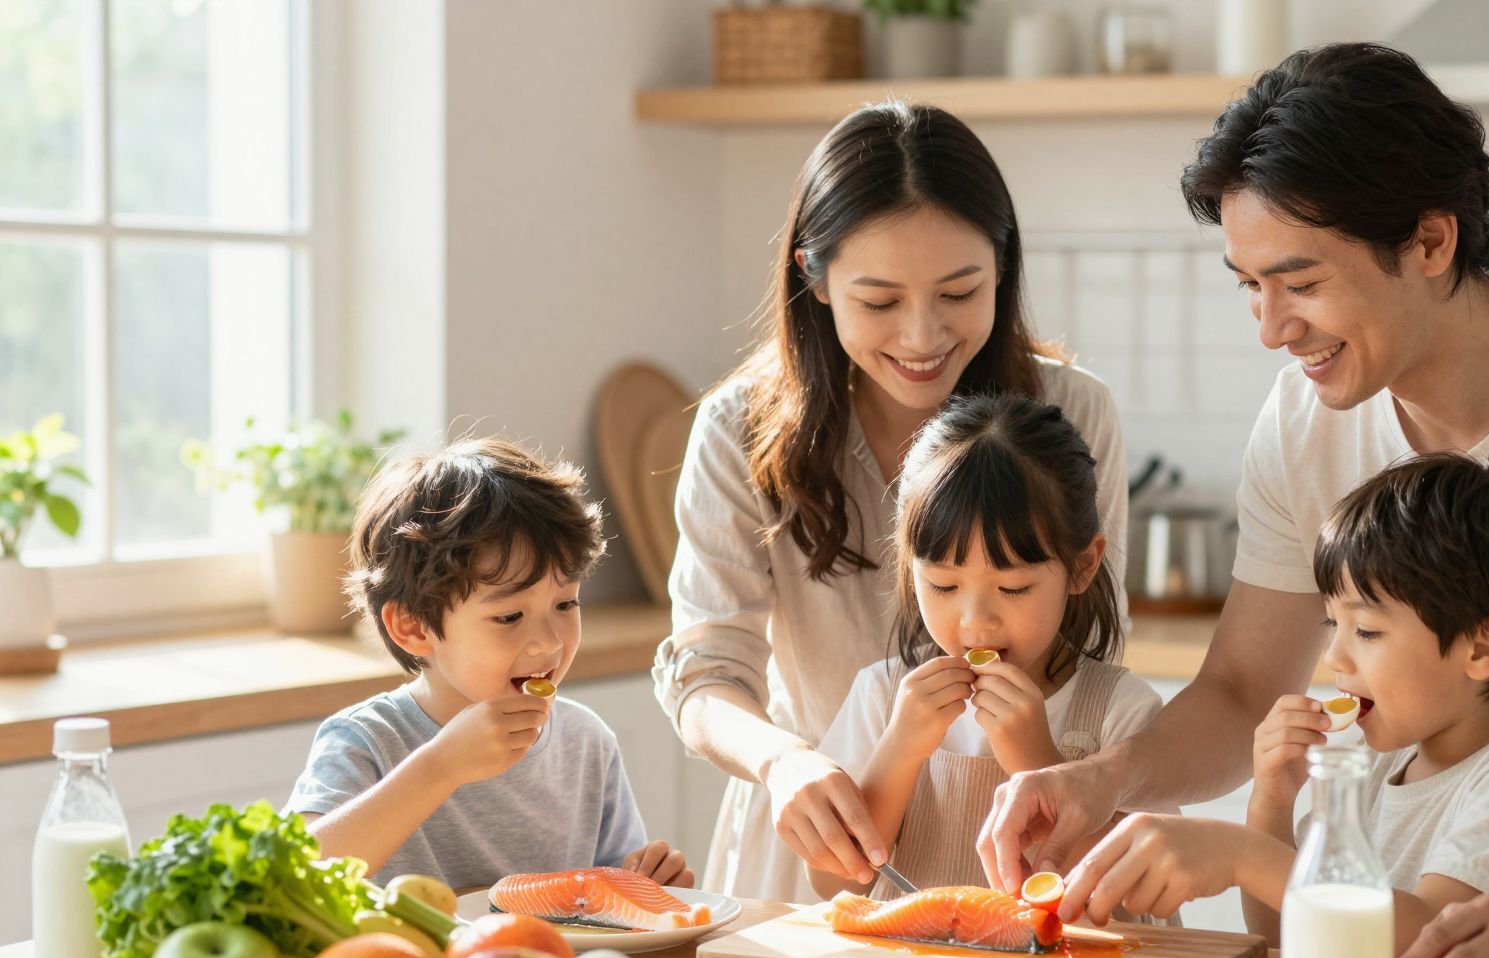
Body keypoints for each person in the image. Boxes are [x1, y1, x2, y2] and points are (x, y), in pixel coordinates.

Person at [981, 43, 1489, 958]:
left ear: (1432, 243)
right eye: (1250, 286)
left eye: (1302, 282)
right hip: (1412, 953)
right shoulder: (1299, 421)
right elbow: (1240, 692)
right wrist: (1101, 781)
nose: (1274, 328)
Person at [655, 102, 1128, 903]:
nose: (922, 335)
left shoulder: (1070, 414)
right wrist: (785, 761)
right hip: (821, 835)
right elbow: (705, 674)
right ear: (815, 276)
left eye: (959, 292)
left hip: (1014, 843)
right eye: (878, 302)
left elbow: (1087, 659)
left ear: (1003, 269)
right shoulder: (741, 428)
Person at [1054, 453, 1489, 957]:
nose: (1335, 655)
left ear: (1484, 647)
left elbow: (1430, 936)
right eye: (1335, 625)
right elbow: (1282, 940)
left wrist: (1242, 854)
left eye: (1369, 631)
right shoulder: (1378, 765)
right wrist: (1272, 803)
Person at [285, 438, 693, 889]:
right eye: (509, 616)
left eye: (566, 604)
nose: (549, 642)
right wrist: (441, 767)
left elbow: (607, 893)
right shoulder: (367, 742)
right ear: (413, 627)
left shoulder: (586, 742)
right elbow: (298, 873)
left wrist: (645, 883)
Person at [805, 394, 1161, 900]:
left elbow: (1131, 903)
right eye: (944, 587)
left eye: (1013, 588)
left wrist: (1039, 764)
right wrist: (901, 748)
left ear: (1082, 566)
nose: (975, 621)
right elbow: (831, 882)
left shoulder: (1120, 713)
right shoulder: (882, 695)